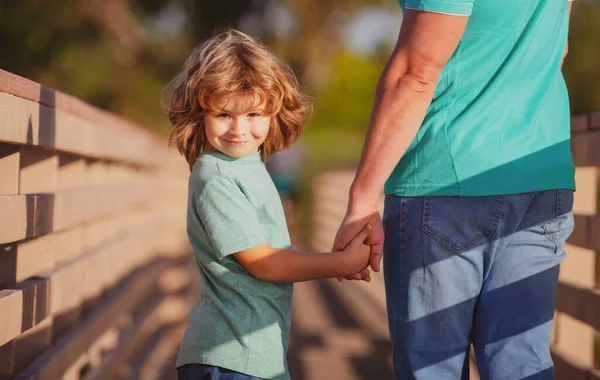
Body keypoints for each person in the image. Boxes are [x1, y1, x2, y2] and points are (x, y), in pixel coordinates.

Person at [333, 0, 575, 379]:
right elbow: (554, 50)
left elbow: (415, 73)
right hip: (541, 173)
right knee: (523, 364)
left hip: (447, 178)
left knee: (433, 367)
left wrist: (362, 201)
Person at [166, 29, 372, 380]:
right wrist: (338, 263)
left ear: (274, 113)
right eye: (223, 114)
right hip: (230, 357)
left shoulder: (247, 166)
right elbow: (264, 263)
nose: (238, 129)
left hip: (251, 353)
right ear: (200, 111)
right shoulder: (215, 177)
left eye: (253, 115)